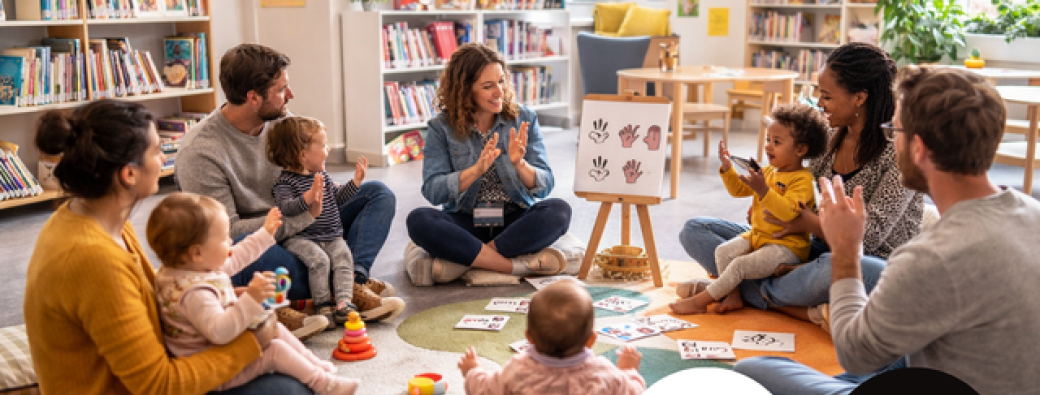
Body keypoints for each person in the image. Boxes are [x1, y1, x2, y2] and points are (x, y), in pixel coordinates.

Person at [735, 65, 1040, 395]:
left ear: (919, 147)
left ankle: (761, 294)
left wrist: (846, 250)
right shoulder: (1032, 211)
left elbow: (854, 354)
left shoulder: (930, 257)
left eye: (894, 133)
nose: (891, 143)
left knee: (750, 370)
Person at [24, 99, 312, 395]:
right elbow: (158, 386)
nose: (163, 159)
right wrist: (253, 342)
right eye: (157, 151)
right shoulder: (92, 258)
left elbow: (148, 302)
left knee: (288, 377)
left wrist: (216, 298)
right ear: (129, 174)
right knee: (287, 388)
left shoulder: (96, 218)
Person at [676, 42, 924, 325]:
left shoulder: (900, 151)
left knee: (852, 270)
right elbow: (790, 178)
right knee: (696, 230)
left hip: (865, 261)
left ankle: (736, 288)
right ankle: (779, 297)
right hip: (810, 246)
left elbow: (866, 240)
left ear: (859, 97)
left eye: (827, 96)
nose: (819, 103)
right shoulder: (830, 136)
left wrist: (807, 222)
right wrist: (766, 196)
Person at [177, 43, 403, 325]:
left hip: (310, 224)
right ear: (253, 98)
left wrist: (327, 197)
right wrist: (301, 221)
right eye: (282, 90)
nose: (291, 96)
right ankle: (333, 288)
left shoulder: (285, 124)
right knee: (238, 250)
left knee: (377, 194)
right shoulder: (200, 152)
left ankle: (351, 284)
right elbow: (227, 231)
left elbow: (319, 187)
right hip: (267, 238)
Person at [148, 193, 358, 394]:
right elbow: (220, 332)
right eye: (223, 238)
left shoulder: (190, 269)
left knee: (273, 325)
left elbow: (239, 256)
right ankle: (324, 385)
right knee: (274, 351)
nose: (230, 242)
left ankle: (316, 365)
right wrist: (251, 299)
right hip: (218, 370)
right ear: (196, 252)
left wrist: (264, 234)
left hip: (220, 348)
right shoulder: (195, 293)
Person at [405, 43, 572, 283]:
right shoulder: (440, 127)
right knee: (419, 220)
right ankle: (510, 266)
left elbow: (545, 185)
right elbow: (433, 191)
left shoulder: (524, 118)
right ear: (464, 90)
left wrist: (520, 164)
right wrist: (475, 171)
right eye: (487, 86)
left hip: (514, 221)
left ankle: (470, 261)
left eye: (501, 81)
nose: (499, 92)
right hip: (466, 220)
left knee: (559, 211)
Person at [670, 103, 829, 315]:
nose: (768, 146)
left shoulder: (803, 180)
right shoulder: (770, 171)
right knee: (723, 251)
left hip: (786, 248)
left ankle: (701, 301)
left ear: (800, 149)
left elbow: (788, 212)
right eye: (768, 140)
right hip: (758, 237)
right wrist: (728, 169)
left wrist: (763, 190)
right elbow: (738, 190)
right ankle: (733, 294)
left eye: (776, 142)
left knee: (738, 266)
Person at [267, 115, 394, 327]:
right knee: (320, 261)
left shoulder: (322, 176)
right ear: (303, 155)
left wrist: (355, 182)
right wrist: (309, 197)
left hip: (331, 235)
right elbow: (286, 208)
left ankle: (344, 302)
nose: (328, 151)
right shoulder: (284, 183)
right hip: (302, 238)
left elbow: (338, 198)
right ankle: (323, 305)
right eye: (324, 146)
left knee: (344, 258)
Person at [459, 279, 646, 394]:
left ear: (529, 337)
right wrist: (629, 370)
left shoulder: (517, 370)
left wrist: (473, 370)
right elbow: (635, 392)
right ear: (591, 340)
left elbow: (484, 390)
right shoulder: (604, 374)